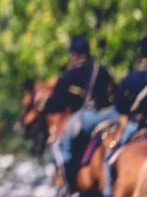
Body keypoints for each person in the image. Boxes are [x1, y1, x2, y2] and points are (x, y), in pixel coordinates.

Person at [43, 35, 117, 195]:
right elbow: (114, 95)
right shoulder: (101, 70)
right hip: (111, 115)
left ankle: (68, 184)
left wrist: (45, 103)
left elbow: (56, 104)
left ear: (73, 55)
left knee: (61, 146)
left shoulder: (69, 75)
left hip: (87, 119)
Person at [103, 34, 147, 197]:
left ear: (141, 55)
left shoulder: (129, 78)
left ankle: (106, 192)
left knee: (109, 158)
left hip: (133, 127)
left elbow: (121, 112)